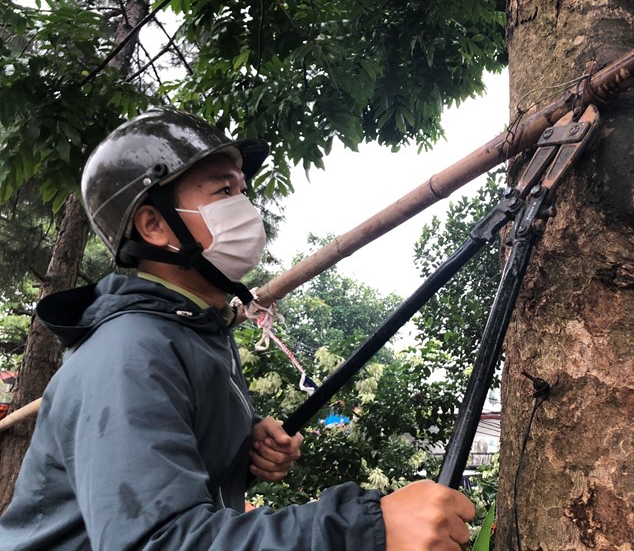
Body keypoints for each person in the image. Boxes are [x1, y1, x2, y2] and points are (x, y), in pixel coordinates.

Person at [0, 108, 475, 550]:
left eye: (243, 191)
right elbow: (157, 540)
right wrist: (365, 528)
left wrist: (241, 439)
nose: (246, 208)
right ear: (154, 226)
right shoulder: (129, 353)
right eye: (224, 191)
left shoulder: (193, 332)